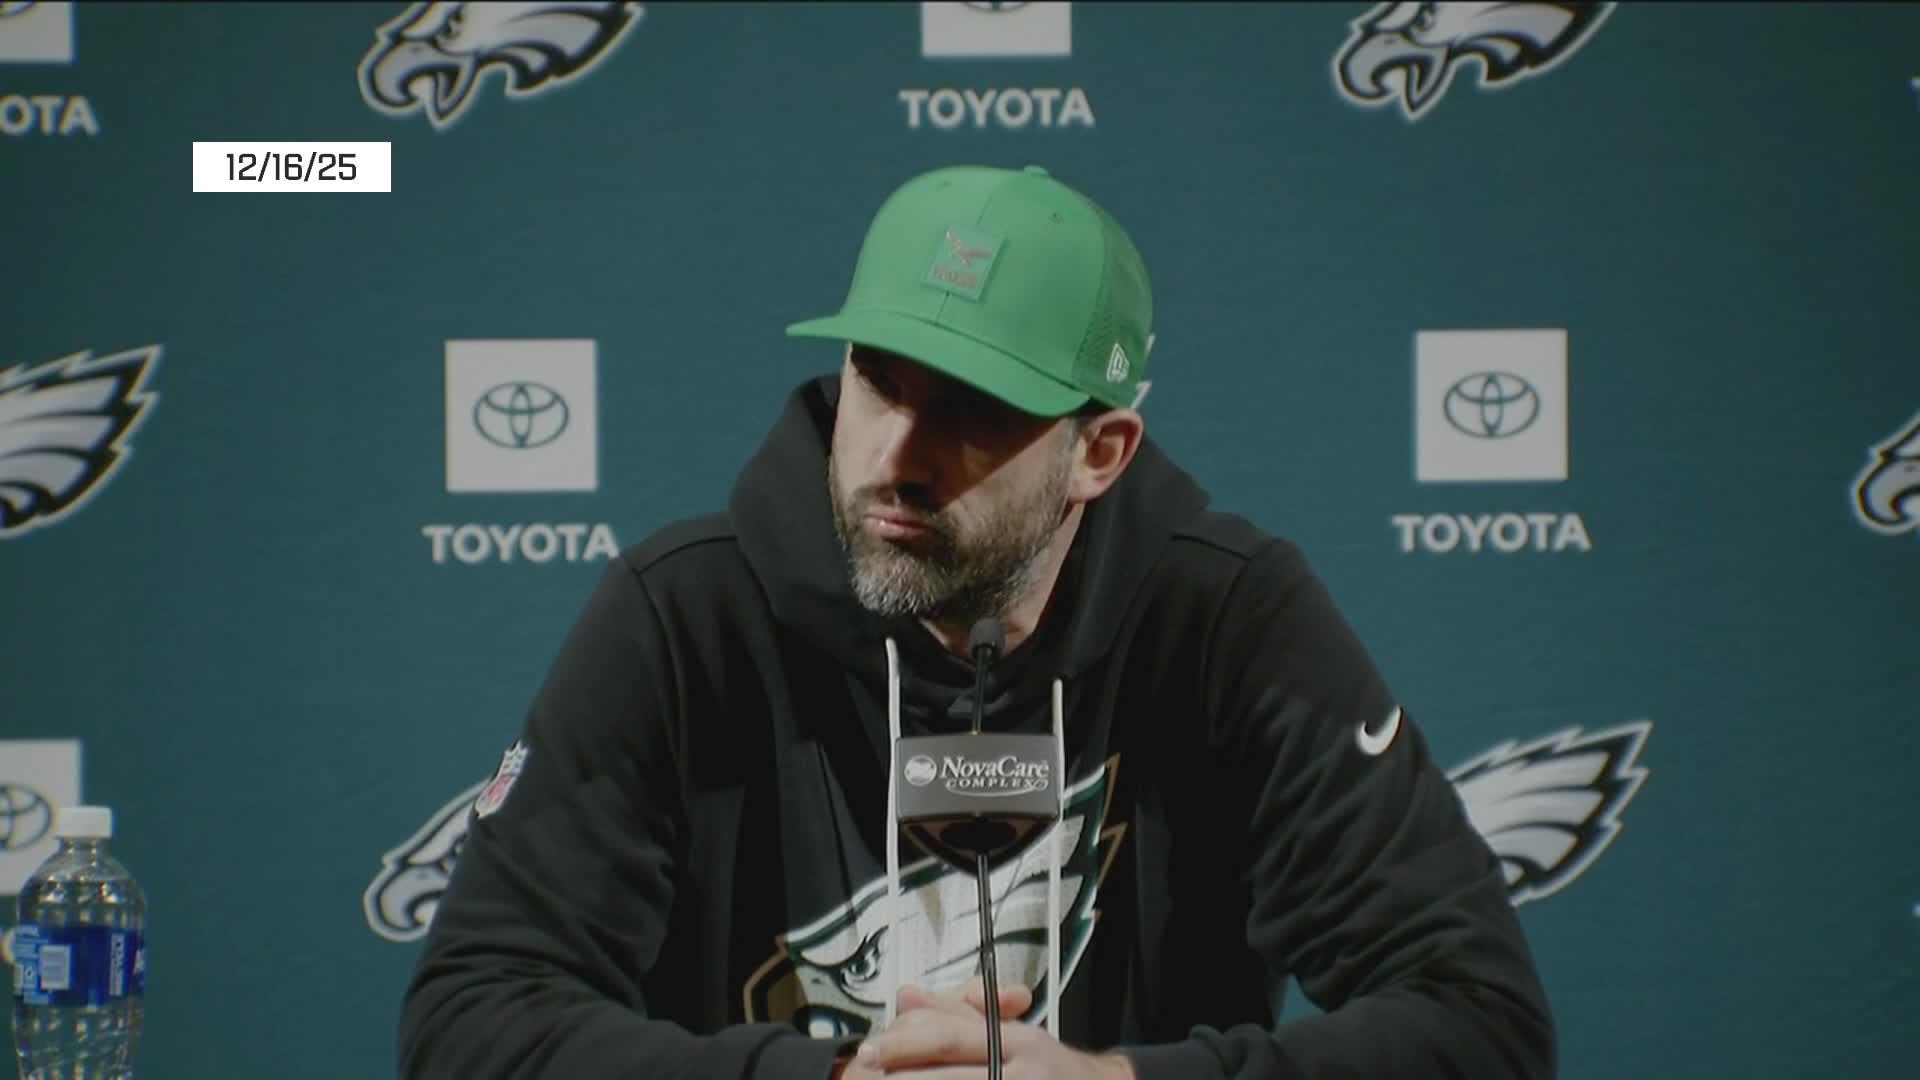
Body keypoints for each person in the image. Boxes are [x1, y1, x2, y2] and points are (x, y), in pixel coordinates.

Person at [395, 163, 1555, 1079]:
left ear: (1099, 453)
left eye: (974, 411)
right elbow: (471, 1023)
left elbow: (1479, 1024)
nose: (897, 458)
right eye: (880, 382)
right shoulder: (684, 615)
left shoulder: (1227, 620)